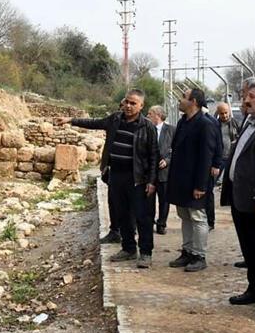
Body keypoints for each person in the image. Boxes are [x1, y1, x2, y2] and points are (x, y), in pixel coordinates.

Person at [56, 89, 158, 268]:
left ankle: (146, 253)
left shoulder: (147, 127)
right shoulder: (115, 119)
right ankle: (128, 248)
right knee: (123, 214)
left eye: (133, 103)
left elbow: (153, 156)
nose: (128, 106)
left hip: (138, 178)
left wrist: (151, 181)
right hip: (116, 175)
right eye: (126, 102)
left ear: (141, 106)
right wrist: (71, 120)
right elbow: (94, 123)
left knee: (143, 216)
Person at [220, 77, 255, 318]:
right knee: (249, 249)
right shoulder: (247, 122)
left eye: (252, 97)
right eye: (244, 95)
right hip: (240, 198)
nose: (245, 100)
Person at [167, 88, 218, 272]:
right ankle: (187, 250)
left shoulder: (205, 124)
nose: (180, 100)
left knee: (198, 217)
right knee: (185, 216)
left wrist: (201, 185)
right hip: (181, 180)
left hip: (195, 181)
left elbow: (206, 157)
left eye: (183, 97)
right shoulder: (183, 122)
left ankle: (199, 255)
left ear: (194, 101)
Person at [146, 105, 175, 235]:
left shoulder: (171, 130)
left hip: (164, 172)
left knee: (164, 200)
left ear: (157, 115)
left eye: (150, 114)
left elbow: (176, 149)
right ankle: (148, 222)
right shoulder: (145, 129)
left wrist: (168, 160)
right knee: (148, 199)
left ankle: (161, 223)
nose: (148, 116)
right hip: (149, 172)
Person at [203, 108, 223, 231]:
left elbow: (218, 144)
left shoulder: (211, 122)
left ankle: (210, 221)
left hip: (209, 166)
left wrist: (216, 164)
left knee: (208, 194)